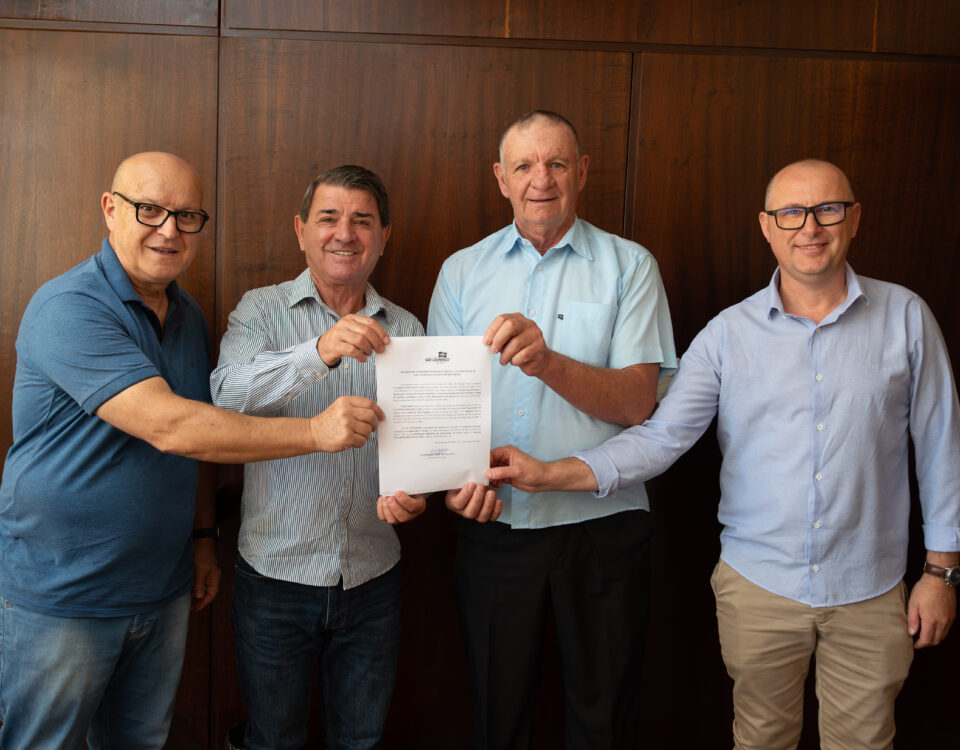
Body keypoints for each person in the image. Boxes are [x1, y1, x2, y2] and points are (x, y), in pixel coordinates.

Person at [487, 159, 960, 750]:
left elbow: (941, 445)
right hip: (759, 588)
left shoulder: (908, 318)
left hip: (871, 587)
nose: (810, 227)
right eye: (791, 213)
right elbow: (660, 438)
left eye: (828, 209)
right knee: (760, 740)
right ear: (767, 227)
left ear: (855, 218)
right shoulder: (726, 335)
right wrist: (549, 474)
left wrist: (941, 572)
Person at [0, 152, 386, 750]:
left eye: (186, 216)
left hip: (163, 586)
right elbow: (173, 427)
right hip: (65, 592)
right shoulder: (69, 306)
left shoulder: (185, 315)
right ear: (110, 210)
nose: (169, 230)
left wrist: (204, 537)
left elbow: (202, 439)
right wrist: (315, 432)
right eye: (149, 210)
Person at [428, 111, 677, 749]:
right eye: (524, 165)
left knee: (604, 723)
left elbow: (638, 403)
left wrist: (547, 362)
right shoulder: (460, 272)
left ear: (582, 171)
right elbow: (440, 406)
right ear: (501, 179)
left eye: (557, 163)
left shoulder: (630, 266)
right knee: (497, 721)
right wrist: (452, 485)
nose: (541, 179)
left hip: (604, 527)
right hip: (495, 524)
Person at [211, 165, 425, 750]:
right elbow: (226, 396)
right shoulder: (261, 311)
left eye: (363, 221)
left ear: (384, 237)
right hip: (274, 578)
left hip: (373, 577)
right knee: (272, 740)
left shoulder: (407, 327)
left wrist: (418, 493)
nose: (344, 234)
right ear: (301, 230)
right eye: (328, 218)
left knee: (361, 741)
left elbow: (420, 445)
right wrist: (320, 351)